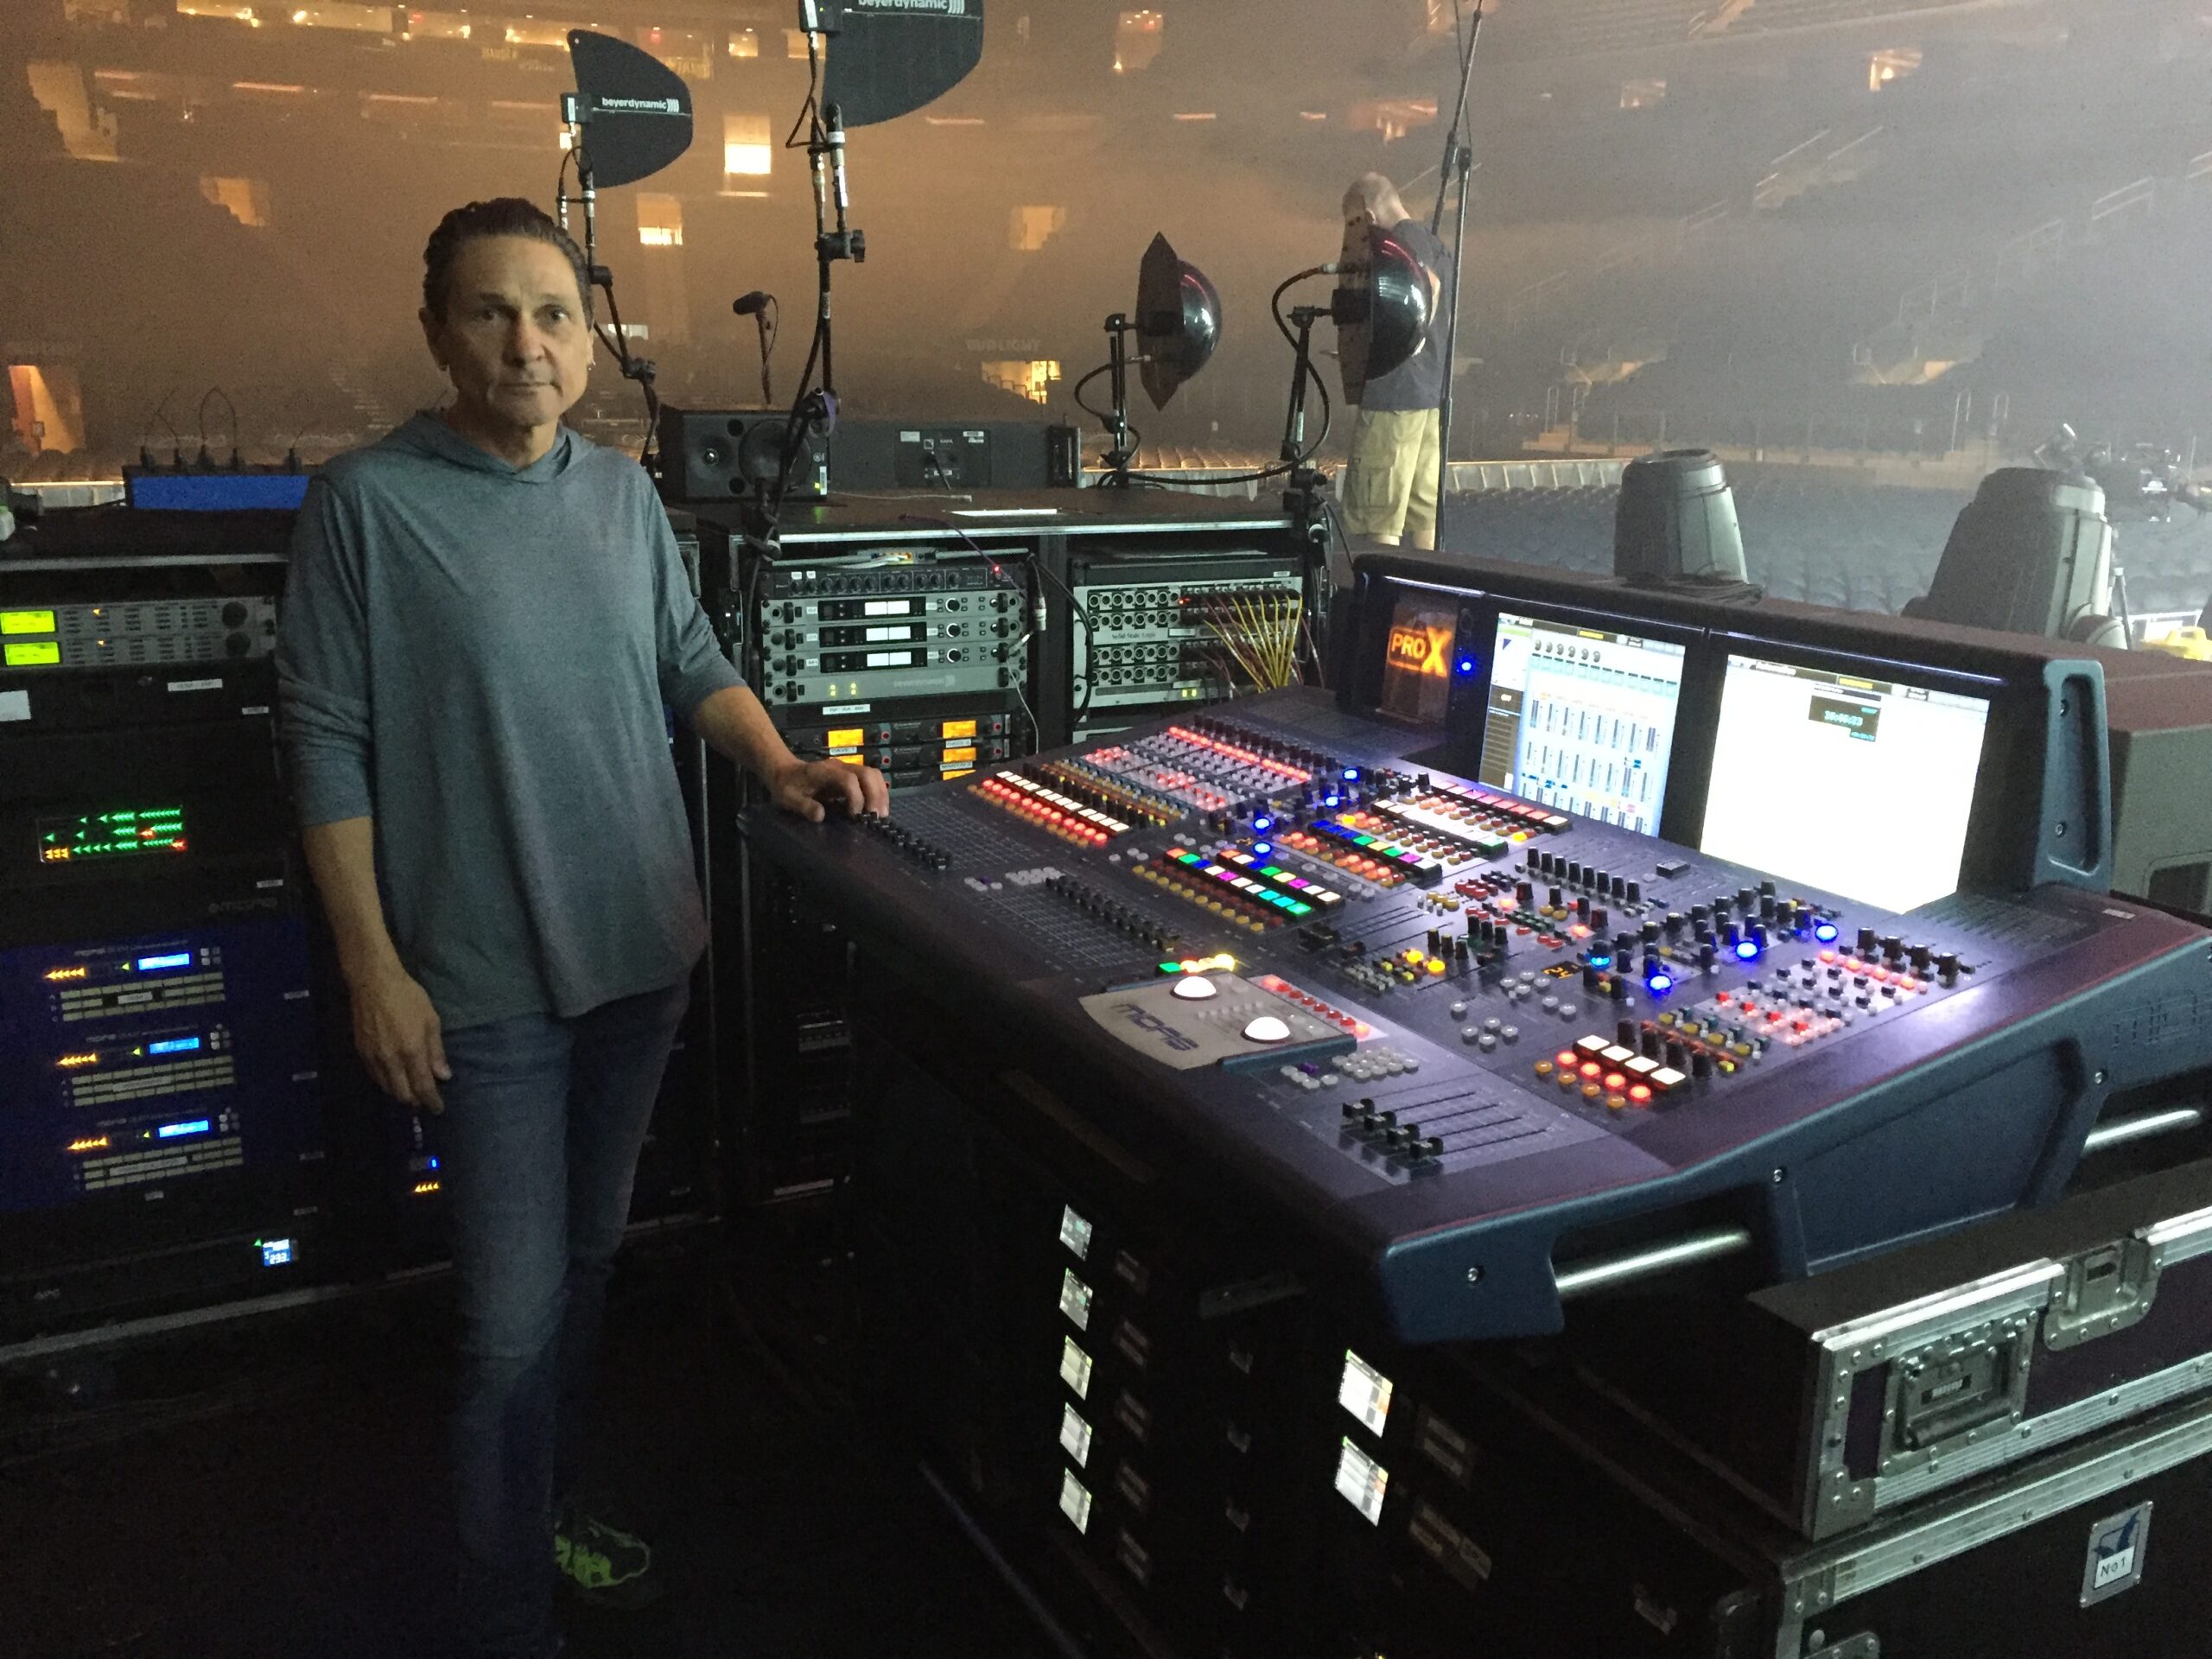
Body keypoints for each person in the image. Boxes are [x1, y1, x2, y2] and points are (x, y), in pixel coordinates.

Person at [276, 197, 888, 1659]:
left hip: (638, 958)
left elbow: (690, 659)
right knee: (502, 1325)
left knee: (590, 1270)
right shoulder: (366, 505)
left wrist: (780, 760)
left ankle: (549, 1511)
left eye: (553, 313)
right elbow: (325, 742)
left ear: (586, 336)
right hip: (478, 987)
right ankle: (499, 1616)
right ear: (437, 331)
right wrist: (373, 966)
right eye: (492, 313)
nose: (527, 344)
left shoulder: (623, 500)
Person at [1336, 173, 1452, 550]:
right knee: (1422, 514)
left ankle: (1375, 598)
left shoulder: (1399, 243)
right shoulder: (1430, 241)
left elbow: (1429, 284)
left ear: (1368, 215)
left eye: (1353, 223)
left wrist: (1407, 344)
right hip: (1427, 396)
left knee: (1380, 510)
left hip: (1394, 395)